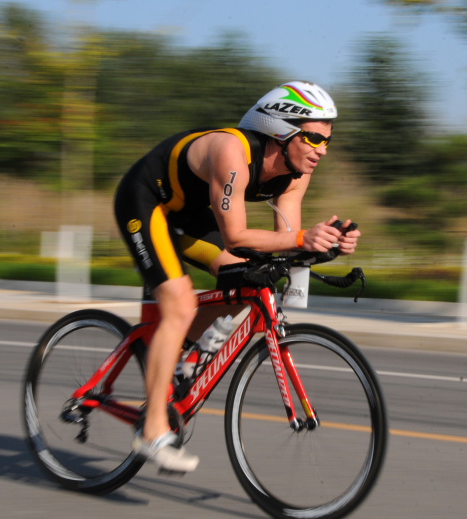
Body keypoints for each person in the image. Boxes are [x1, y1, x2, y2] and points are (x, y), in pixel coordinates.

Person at [114, 81, 361, 472]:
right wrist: (301, 237)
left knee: (254, 281)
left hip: (193, 219)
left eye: (328, 140)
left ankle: (184, 358)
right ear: (282, 130)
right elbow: (236, 236)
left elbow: (286, 241)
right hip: (148, 204)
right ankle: (151, 432)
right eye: (314, 138)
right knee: (178, 301)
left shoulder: (297, 171)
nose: (322, 150)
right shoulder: (232, 151)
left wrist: (324, 245)